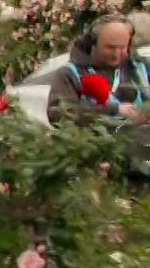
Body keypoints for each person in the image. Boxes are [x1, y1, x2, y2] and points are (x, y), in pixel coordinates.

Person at [45, 14, 150, 175]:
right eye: (110, 48)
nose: (117, 54)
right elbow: (59, 114)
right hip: (95, 162)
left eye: (122, 48)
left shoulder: (141, 68)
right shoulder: (70, 74)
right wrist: (113, 110)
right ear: (92, 43)